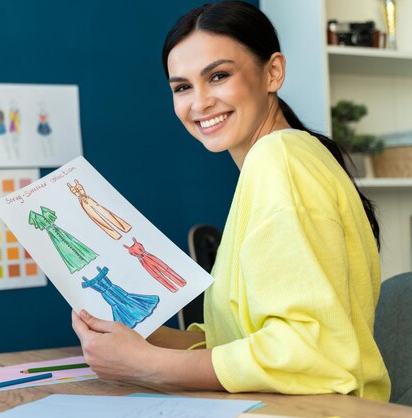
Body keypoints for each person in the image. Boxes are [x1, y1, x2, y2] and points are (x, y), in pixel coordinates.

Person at [71, 1, 391, 400]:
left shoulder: (280, 160)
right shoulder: (281, 162)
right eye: (182, 87)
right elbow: (241, 344)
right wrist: (139, 338)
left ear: (273, 72)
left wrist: (147, 365)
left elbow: (309, 352)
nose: (200, 103)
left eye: (218, 76)